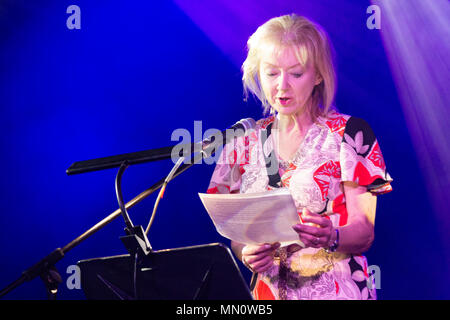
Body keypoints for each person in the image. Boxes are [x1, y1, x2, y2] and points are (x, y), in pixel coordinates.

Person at [206, 14, 392, 300]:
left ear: (318, 75)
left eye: (295, 73)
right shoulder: (243, 141)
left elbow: (365, 232)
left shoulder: (348, 133)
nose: (282, 85)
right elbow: (237, 237)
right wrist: (247, 253)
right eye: (271, 73)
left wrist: (333, 235)